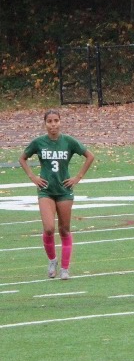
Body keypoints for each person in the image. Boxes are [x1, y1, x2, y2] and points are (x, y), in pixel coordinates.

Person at [20, 109, 95, 280]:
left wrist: (78, 177)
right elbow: (22, 158)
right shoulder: (39, 142)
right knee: (48, 228)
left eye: (56, 121)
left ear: (60, 122)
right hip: (46, 190)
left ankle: (65, 268)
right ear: (45, 124)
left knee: (64, 229)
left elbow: (89, 156)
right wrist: (33, 177)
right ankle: (52, 260)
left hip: (64, 191)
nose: (53, 125)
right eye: (49, 121)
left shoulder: (68, 141)